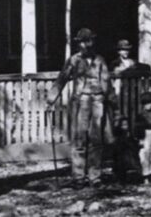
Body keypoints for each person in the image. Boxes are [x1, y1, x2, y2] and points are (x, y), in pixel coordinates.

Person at [49, 28, 115, 185]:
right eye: (83, 42)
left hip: (98, 101)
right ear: (79, 44)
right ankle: (78, 177)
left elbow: (107, 82)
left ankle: (95, 176)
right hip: (81, 102)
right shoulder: (73, 60)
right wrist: (50, 100)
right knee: (79, 138)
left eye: (89, 41)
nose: (87, 45)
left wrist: (114, 104)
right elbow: (61, 79)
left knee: (96, 140)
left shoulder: (100, 60)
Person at [111, 116, 143, 183]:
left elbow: (132, 143)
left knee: (131, 161)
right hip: (121, 154)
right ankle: (120, 178)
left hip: (128, 153)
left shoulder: (128, 134)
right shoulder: (119, 136)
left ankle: (132, 177)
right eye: (123, 125)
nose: (125, 127)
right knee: (121, 163)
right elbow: (117, 147)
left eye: (126, 125)